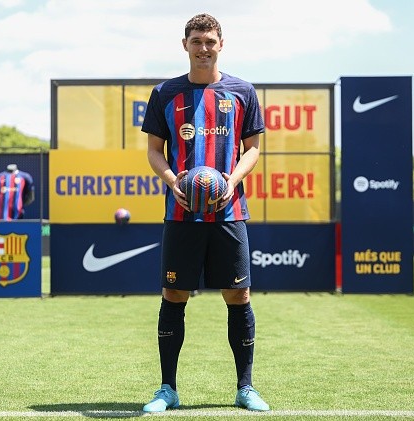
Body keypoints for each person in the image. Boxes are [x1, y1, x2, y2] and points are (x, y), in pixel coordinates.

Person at [140, 13, 269, 413]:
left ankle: (245, 388)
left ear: (221, 44)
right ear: (185, 46)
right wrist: (173, 183)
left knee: (238, 294)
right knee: (174, 293)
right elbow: (153, 152)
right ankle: (167, 389)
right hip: (182, 215)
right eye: (196, 41)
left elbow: (253, 149)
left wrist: (230, 182)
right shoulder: (165, 93)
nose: (203, 47)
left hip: (229, 213)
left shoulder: (243, 92)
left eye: (210, 40)